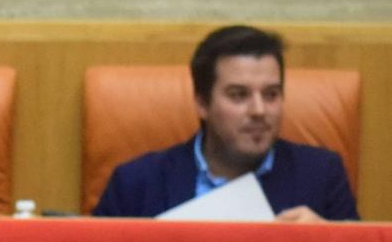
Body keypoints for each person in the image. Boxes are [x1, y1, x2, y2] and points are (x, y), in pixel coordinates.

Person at [93, 25, 359, 222]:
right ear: (202, 103)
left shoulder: (322, 176)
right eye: (239, 95)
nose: (259, 110)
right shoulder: (135, 183)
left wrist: (328, 240)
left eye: (271, 95)